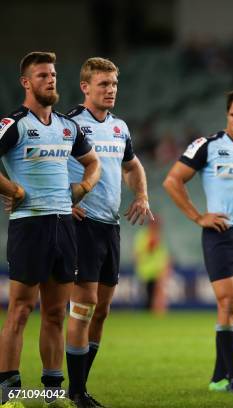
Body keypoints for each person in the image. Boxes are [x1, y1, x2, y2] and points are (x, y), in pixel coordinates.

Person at [0, 52, 100, 408]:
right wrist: (12, 190)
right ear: (27, 83)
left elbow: (93, 163)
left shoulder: (67, 127)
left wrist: (83, 189)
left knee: (57, 313)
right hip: (30, 226)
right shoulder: (14, 124)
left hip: (63, 224)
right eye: (43, 75)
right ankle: (10, 393)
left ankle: (52, 393)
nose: (51, 80)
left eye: (54, 75)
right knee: (21, 310)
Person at [163, 87, 233, 393]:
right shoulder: (207, 146)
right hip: (219, 235)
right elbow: (172, 180)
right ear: (227, 115)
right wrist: (198, 216)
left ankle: (218, 375)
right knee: (230, 301)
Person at [64, 57, 153, 408]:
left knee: (101, 310)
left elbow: (132, 165)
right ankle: (76, 391)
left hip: (110, 227)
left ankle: (80, 387)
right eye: (103, 84)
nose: (110, 90)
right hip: (80, 225)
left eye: (114, 84)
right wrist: (62, 202)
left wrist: (142, 194)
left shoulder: (120, 128)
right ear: (85, 87)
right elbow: (43, 163)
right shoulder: (69, 124)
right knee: (83, 306)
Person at [133, 216, 171, 313]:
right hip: (146, 273)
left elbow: (163, 254)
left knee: (157, 297)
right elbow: (137, 254)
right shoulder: (143, 235)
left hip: (158, 272)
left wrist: (166, 268)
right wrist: (150, 245)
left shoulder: (158, 236)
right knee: (149, 299)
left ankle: (156, 315)